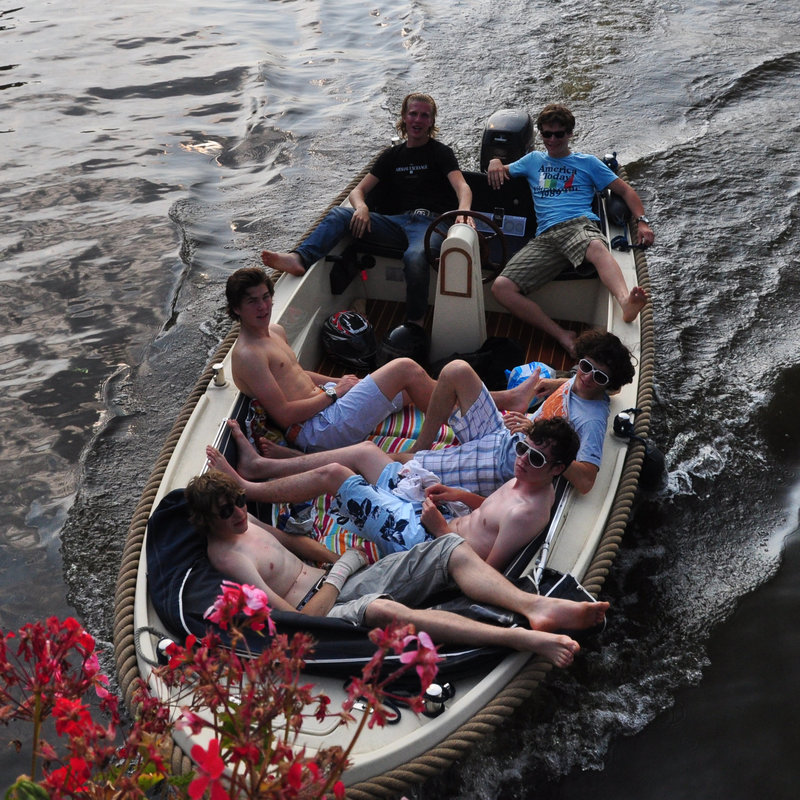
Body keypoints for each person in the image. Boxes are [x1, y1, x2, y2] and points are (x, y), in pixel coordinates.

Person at [184, 470, 609, 668]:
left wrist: (338, 560)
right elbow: (297, 619)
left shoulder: (244, 521)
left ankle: (534, 605)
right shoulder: (229, 558)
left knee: (447, 546)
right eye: (227, 509)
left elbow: (290, 542)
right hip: (326, 613)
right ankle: (520, 638)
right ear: (207, 519)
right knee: (388, 611)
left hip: (340, 579)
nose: (239, 511)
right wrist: (340, 571)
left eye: (240, 500)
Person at [226, 266, 542, 453]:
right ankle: (425, 449)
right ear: (236, 309)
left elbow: (297, 373)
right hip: (314, 431)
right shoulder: (249, 356)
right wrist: (335, 392)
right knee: (404, 368)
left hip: (328, 409)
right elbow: (283, 415)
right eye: (252, 301)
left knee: (411, 388)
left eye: (266, 297)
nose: (263, 306)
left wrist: (339, 383)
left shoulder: (275, 331)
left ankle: (503, 400)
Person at [205, 417, 579, 571]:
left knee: (337, 475)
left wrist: (438, 527)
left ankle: (247, 488)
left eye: (535, 458)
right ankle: (263, 467)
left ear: (558, 469)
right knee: (366, 452)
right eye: (521, 448)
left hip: (424, 543)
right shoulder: (530, 479)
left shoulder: (526, 512)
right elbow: (488, 515)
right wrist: (461, 497)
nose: (522, 461)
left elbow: (484, 571)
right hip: (439, 518)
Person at [261, 92, 474, 327]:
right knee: (339, 215)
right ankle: (299, 258)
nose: (418, 120)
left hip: (431, 224)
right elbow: (357, 191)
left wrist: (463, 212)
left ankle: (416, 321)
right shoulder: (391, 156)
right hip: (397, 222)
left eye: (424, 116)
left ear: (431, 122)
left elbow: (462, 186)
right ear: (404, 117)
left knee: (415, 257)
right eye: (413, 114)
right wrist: (361, 207)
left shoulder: (441, 153)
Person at [487, 104, 653, 357]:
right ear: (540, 134)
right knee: (501, 288)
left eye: (559, 134)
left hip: (577, 225)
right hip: (545, 237)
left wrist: (642, 221)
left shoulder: (587, 163)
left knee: (597, 247)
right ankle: (562, 335)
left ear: (570, 134)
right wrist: (495, 160)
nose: (552, 140)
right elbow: (502, 169)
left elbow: (626, 191)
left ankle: (625, 303)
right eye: (546, 134)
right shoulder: (532, 161)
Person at [403, 328, 635, 495]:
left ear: (608, 382)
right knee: (457, 370)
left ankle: (414, 455)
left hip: (504, 464)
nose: (586, 377)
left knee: (409, 466)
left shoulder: (591, 422)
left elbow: (585, 481)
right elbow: (598, 386)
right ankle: (422, 443)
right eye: (585, 366)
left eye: (599, 377)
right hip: (503, 433)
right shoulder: (584, 384)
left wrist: (534, 431)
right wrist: (556, 384)